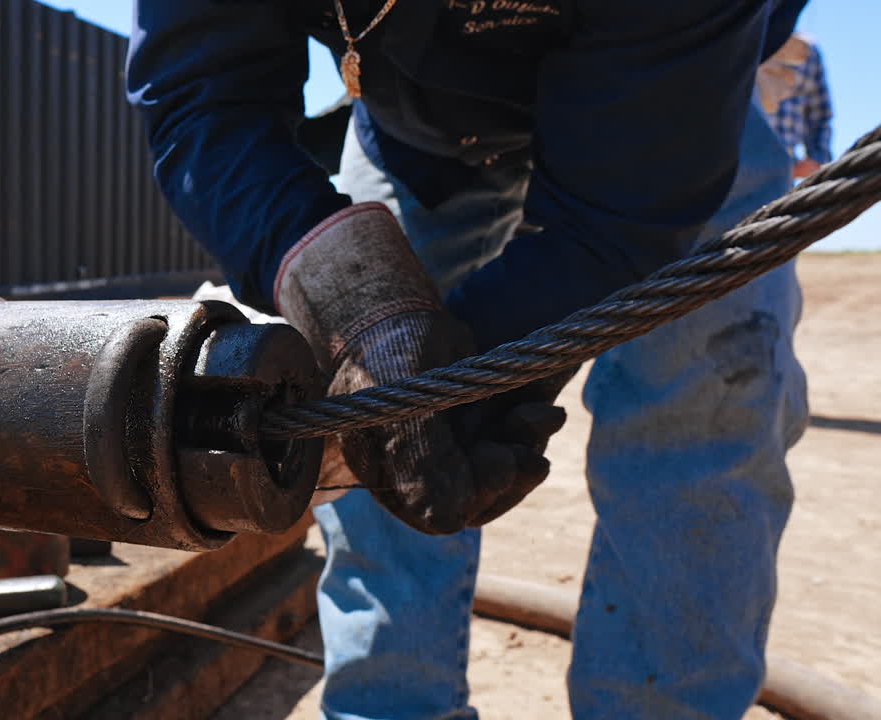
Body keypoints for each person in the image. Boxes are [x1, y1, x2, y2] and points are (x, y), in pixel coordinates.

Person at [129, 1, 809, 717]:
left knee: (702, 422)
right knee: (378, 447)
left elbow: (620, 217)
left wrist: (479, 374)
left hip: (671, 104)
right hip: (414, 139)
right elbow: (203, 98)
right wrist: (356, 306)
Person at [759, 31, 834, 178]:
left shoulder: (807, 50)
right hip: (733, 168)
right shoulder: (736, 36)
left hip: (783, 170)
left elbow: (820, 114)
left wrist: (817, 159)